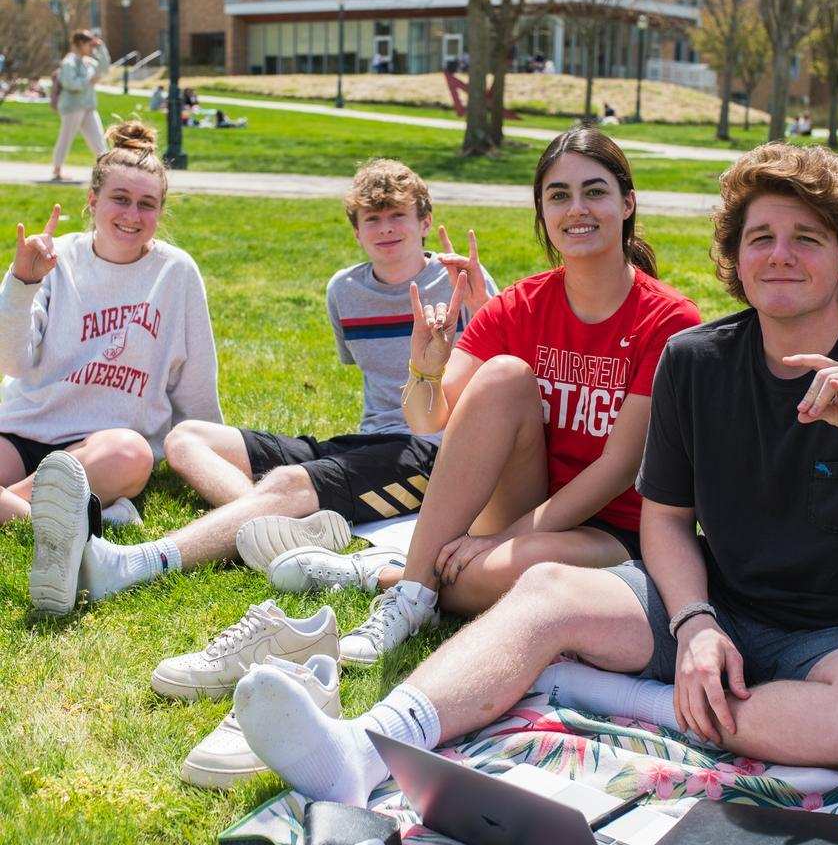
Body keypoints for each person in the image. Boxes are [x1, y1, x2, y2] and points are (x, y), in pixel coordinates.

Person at [231, 142, 838, 810]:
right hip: (719, 601)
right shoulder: (697, 360)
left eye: (806, 237)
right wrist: (695, 622)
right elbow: (667, 519)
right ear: (736, 260)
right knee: (547, 591)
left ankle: (631, 699)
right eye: (760, 237)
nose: (779, 254)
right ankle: (362, 749)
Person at [286, 126, 700, 666]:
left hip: (615, 529)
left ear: (627, 203)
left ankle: (385, 574)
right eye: (558, 196)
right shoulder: (522, 304)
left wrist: (501, 539)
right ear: (542, 214)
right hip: (523, 501)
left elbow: (620, 467)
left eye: (594, 191)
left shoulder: (668, 318)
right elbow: (427, 418)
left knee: (491, 575)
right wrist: (426, 369)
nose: (577, 208)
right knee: (504, 374)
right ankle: (412, 594)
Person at [28, 159, 496, 617]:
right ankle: (275, 530)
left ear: (426, 222)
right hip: (366, 442)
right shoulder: (345, 291)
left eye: (399, 216)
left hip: (431, 453)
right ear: (356, 231)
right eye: (373, 219)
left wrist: (483, 304)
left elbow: (504, 374)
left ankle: (138, 562)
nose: (386, 229)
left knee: (290, 483)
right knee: (186, 438)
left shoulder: (459, 282)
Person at [3, 121, 222, 611]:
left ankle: (45, 511)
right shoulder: (53, 259)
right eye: (120, 199)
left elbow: (196, 381)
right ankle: (85, 520)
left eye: (147, 204)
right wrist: (21, 284)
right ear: (93, 200)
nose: (132, 214)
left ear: (161, 213)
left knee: (133, 453)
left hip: (106, 447)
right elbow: (13, 362)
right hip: (26, 428)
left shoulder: (176, 272)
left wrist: (209, 451)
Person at [51, 30, 111, 182]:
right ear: (80, 44)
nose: (91, 48)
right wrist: (88, 81)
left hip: (88, 106)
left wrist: (101, 48)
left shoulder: (87, 61)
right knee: (66, 137)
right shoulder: (69, 62)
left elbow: (104, 68)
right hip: (72, 107)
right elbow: (70, 83)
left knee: (98, 139)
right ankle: (57, 170)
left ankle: (107, 171)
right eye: (88, 44)